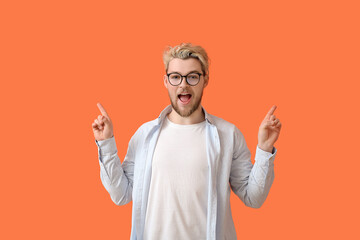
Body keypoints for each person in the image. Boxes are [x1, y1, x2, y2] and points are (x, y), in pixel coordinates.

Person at [92, 43, 282, 240]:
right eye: (175, 77)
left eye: (192, 76)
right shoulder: (144, 135)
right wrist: (106, 144)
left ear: (205, 80)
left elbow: (253, 198)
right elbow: (121, 195)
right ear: (166, 81)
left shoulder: (228, 134)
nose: (183, 85)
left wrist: (264, 149)